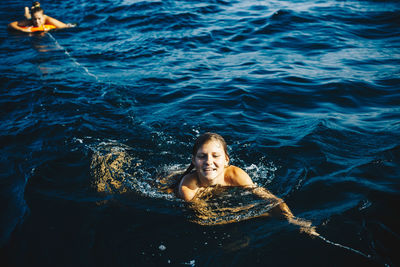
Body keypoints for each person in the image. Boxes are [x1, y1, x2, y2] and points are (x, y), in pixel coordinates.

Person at [179, 132, 319, 235]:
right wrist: (263, 214)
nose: (209, 161)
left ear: (226, 160)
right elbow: (204, 218)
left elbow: (269, 198)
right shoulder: (188, 187)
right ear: (193, 160)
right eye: (202, 156)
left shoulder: (235, 175)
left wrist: (292, 219)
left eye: (215, 156)